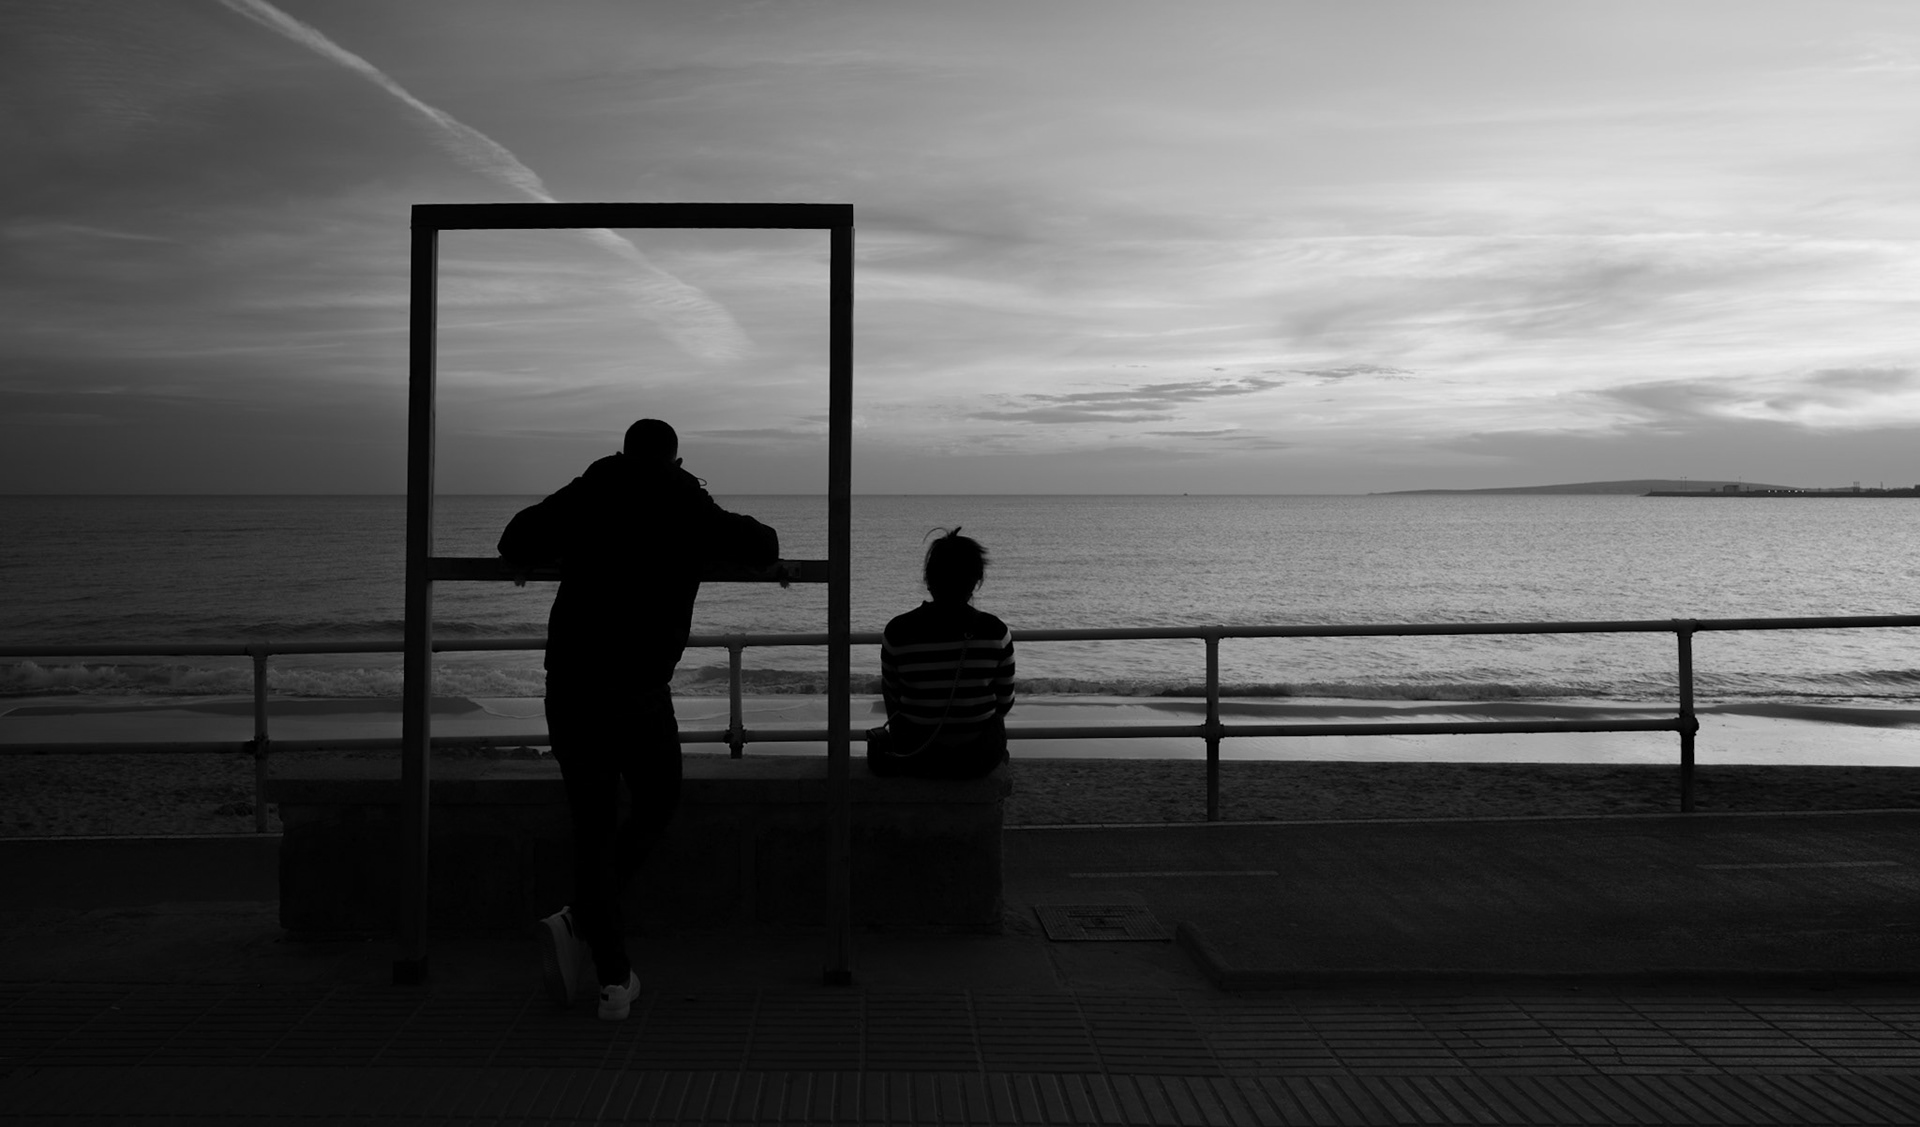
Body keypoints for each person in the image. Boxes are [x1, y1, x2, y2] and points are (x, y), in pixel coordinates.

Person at [498, 418, 778, 1020]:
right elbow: (762, 545)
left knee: (594, 823)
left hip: (571, 682)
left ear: (622, 453)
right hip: (639, 687)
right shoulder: (683, 500)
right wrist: (695, 497)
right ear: (674, 460)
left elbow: (515, 537)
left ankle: (608, 970)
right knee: (657, 800)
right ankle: (593, 941)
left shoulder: (592, 489)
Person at [873, 527, 1015, 779]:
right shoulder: (995, 631)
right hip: (978, 757)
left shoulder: (898, 631)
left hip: (917, 754)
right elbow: (1004, 703)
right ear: (976, 581)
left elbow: (893, 696)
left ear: (928, 579)